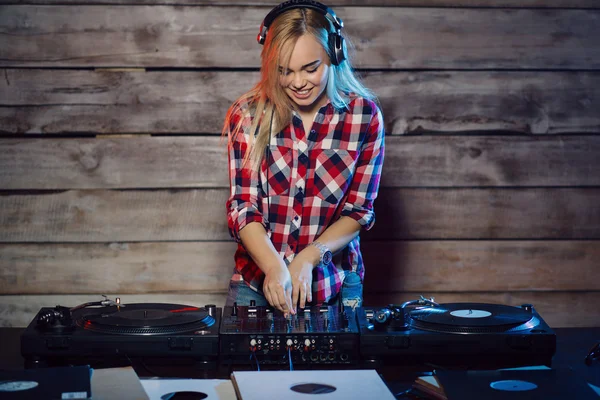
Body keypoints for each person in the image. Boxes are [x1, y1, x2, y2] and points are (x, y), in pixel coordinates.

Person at [223, 1, 385, 317]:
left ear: (335, 56)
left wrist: (308, 257)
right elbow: (243, 206)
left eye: (310, 68)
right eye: (284, 71)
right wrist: (274, 267)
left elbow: (359, 211)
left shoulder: (365, 118)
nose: (297, 82)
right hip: (255, 287)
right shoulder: (247, 114)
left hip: (335, 288)